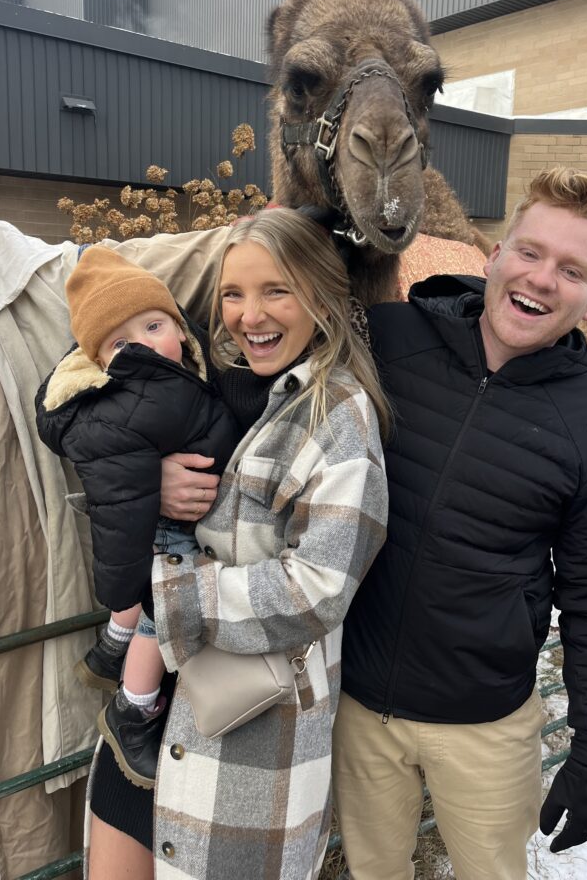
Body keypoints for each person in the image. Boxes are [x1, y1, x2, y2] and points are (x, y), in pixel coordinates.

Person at [331, 167, 587, 880]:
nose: (540, 278)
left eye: (572, 270)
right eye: (530, 252)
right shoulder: (387, 339)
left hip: (484, 723)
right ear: (494, 255)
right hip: (358, 701)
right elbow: (262, 380)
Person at [85, 207, 390, 880]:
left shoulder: (338, 417)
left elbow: (318, 589)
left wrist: (170, 592)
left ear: (321, 295)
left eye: (275, 290)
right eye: (233, 293)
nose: (250, 315)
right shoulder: (200, 380)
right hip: (146, 722)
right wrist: (150, 480)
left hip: (245, 742)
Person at [35, 246, 239, 787]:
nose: (145, 345)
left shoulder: (184, 366)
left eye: (154, 325)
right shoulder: (136, 393)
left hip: (177, 520)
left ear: (178, 324)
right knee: (159, 612)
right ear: (99, 361)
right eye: (122, 342)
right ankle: (133, 709)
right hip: (171, 533)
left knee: (148, 596)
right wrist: (127, 591)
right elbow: (119, 505)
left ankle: (111, 649)